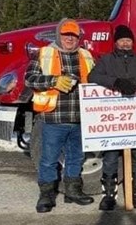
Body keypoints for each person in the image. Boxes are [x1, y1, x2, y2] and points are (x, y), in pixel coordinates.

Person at [88, 25, 136, 210]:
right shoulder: (106, 60)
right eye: (122, 40)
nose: (125, 43)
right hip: (114, 121)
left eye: (128, 40)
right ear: (116, 43)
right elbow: (92, 76)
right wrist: (116, 82)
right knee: (111, 157)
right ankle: (108, 196)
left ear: (132, 42)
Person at [25, 18, 96, 213]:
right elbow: (29, 79)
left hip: (80, 117)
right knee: (48, 159)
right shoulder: (44, 54)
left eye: (73, 35)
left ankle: (73, 191)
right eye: (66, 35)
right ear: (59, 35)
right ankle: (46, 195)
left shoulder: (86, 56)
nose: (69, 39)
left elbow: (98, 79)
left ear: (78, 38)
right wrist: (54, 81)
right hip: (54, 118)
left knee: (76, 158)